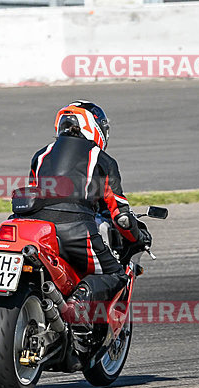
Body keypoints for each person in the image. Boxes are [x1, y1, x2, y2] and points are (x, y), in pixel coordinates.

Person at [24, 100, 151, 368]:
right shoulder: (100, 159)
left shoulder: (41, 155)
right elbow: (122, 217)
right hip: (76, 229)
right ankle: (81, 300)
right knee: (117, 276)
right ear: (93, 127)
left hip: (34, 229)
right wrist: (138, 237)